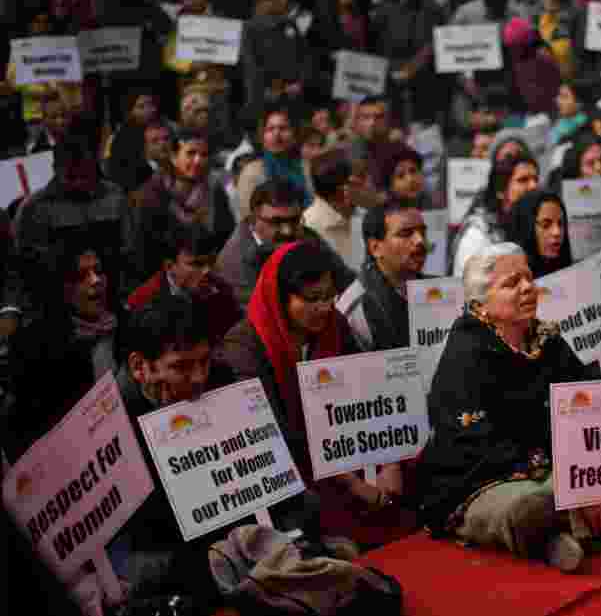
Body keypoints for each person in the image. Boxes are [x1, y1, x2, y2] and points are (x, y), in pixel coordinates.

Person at [417, 243, 601, 573]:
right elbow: (474, 440)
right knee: (527, 508)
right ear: (480, 302)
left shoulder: (548, 338)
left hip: (559, 464)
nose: (528, 288)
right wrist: (570, 478)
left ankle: (560, 536)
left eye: (528, 278)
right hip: (487, 477)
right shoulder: (465, 352)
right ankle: (576, 528)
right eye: (512, 283)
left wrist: (591, 470)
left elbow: (587, 402)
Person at [216, 241, 415, 548]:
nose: (323, 307)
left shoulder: (334, 326)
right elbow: (274, 437)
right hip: (292, 470)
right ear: (281, 299)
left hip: (344, 450)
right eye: (311, 299)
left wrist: (389, 463)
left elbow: (368, 395)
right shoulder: (244, 348)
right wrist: (351, 483)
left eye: (328, 296)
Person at [109, 296, 228, 605]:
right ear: (139, 367)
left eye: (204, 361)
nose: (200, 378)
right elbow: (124, 562)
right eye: (182, 367)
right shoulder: (109, 431)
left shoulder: (223, 384)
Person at [4, 241, 120, 460]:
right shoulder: (34, 345)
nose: (95, 281)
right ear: (62, 288)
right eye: (81, 276)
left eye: (99, 271)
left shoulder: (125, 323)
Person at [13, 129, 134, 321]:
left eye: (86, 176)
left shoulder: (114, 197)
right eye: (71, 177)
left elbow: (129, 250)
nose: (79, 184)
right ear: (56, 169)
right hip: (54, 307)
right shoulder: (34, 209)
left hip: (111, 299)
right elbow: (27, 270)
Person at [217, 180, 354, 309]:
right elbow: (259, 314)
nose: (287, 231)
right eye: (276, 222)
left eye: (293, 220)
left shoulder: (306, 236)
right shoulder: (235, 260)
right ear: (253, 220)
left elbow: (347, 281)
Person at [133, 129, 236, 280]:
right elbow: (145, 249)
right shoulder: (153, 193)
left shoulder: (214, 190)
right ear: (174, 157)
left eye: (204, 155)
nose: (198, 161)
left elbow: (226, 238)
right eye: (191, 153)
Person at [126, 224, 241, 346]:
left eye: (210, 262)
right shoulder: (143, 301)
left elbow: (234, 338)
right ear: (169, 266)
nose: (207, 270)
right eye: (197, 264)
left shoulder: (220, 290)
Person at [337, 204, 428, 351]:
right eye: (406, 233)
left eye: (422, 232)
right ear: (375, 248)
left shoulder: (439, 291)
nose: (420, 240)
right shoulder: (356, 307)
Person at [452, 154, 541, 276]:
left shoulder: (537, 226)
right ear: (500, 190)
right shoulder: (478, 236)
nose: (533, 186)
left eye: (536, 179)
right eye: (523, 180)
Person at [237, 105, 310, 221]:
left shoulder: (306, 168)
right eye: (270, 129)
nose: (277, 134)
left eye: (283, 128)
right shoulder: (252, 173)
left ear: (295, 135)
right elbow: (248, 219)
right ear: (263, 136)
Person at [304, 148, 362, 272]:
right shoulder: (307, 227)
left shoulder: (363, 215)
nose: (371, 183)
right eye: (363, 176)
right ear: (345, 189)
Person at [505, 190, 573, 278]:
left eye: (561, 224)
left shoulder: (570, 272)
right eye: (546, 225)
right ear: (525, 228)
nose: (557, 232)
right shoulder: (508, 279)